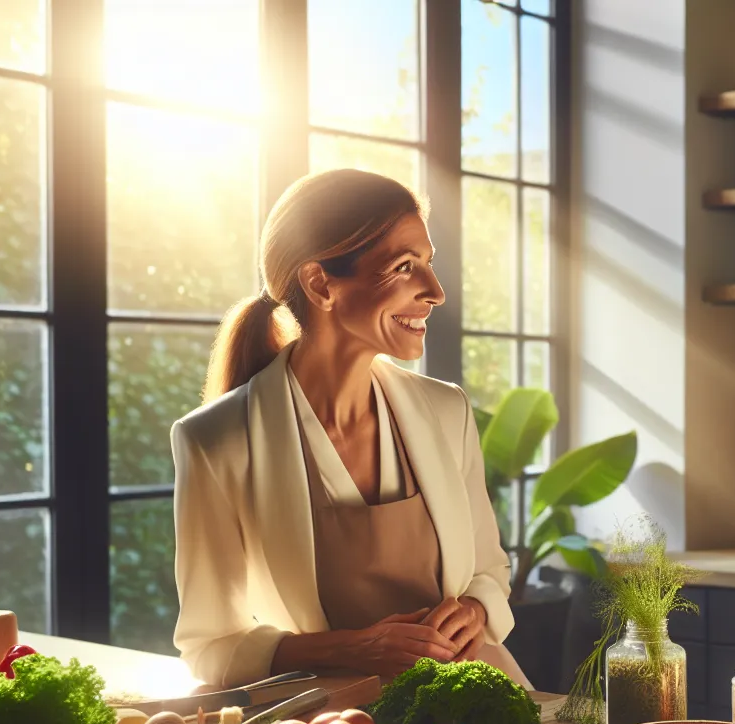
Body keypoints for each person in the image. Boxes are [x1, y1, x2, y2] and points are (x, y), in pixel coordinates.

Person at [172, 169, 526, 688]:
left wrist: (475, 608)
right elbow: (210, 648)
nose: (435, 292)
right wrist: (356, 649)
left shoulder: (447, 412)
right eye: (405, 267)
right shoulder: (217, 442)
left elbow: (489, 573)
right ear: (321, 284)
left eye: (429, 264)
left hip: (479, 700)